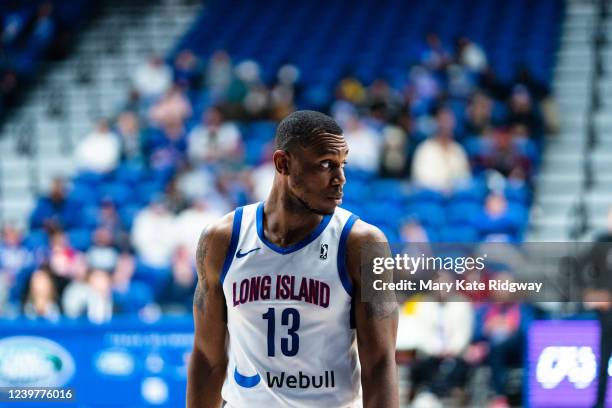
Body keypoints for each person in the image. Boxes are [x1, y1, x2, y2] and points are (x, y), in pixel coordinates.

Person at [187, 110, 399, 407]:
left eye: (342, 165)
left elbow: (379, 365)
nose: (340, 180)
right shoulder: (222, 240)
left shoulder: (362, 243)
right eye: (326, 165)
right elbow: (208, 358)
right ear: (282, 163)